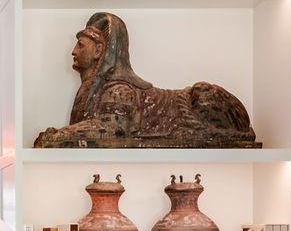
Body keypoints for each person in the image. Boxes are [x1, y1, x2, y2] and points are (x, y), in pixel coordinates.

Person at [35, 12, 256, 147]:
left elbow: (112, 128)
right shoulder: (101, 91)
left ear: (99, 51)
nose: (74, 51)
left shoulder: (119, 90)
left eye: (81, 46)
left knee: (202, 91)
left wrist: (62, 134)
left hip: (192, 109)